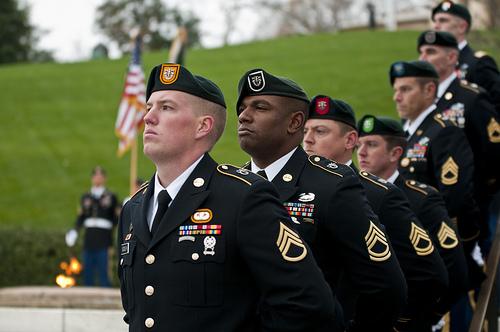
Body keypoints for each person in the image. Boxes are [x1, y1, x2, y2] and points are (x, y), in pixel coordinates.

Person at [118, 63, 340, 332]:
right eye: (150, 107)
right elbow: (138, 312)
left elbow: (308, 304)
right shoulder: (134, 207)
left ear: (203, 126)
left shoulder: (243, 197)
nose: (148, 118)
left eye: (166, 108)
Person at [236, 68, 407, 332]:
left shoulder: (332, 186)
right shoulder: (231, 185)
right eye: (243, 108)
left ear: (294, 123)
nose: (244, 116)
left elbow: (384, 286)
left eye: (260, 107)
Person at [303, 95, 449, 331]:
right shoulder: (296, 190)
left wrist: (395, 325)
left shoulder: (379, 195)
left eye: (320, 131)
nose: (308, 140)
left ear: (350, 140)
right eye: (305, 131)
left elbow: (430, 276)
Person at [356, 114, 469, 327]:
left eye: (371, 145)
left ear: (395, 153)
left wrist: (421, 318)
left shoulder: (422, 200)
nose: (361, 152)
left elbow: (455, 271)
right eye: (359, 144)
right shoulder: (351, 196)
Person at [417, 30, 500, 253]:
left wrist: (480, 192)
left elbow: (493, 151)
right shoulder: (421, 102)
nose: (423, 58)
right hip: (434, 206)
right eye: (421, 52)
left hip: (475, 204)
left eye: (431, 52)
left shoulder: (471, 97)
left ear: (452, 57)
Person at [431, 0, 500, 112]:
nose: (436, 26)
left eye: (443, 20)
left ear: (462, 27)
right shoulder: (434, 65)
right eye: (435, 21)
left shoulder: (479, 63)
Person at [70, 166, 120, 287]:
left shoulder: (111, 196)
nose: (97, 179)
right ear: (92, 178)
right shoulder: (86, 197)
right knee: (87, 270)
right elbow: (81, 217)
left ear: (104, 178)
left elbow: (117, 218)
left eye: (100, 176)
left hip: (104, 238)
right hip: (89, 237)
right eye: (95, 176)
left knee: (104, 270)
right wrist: (75, 230)